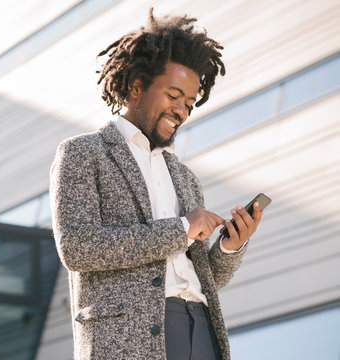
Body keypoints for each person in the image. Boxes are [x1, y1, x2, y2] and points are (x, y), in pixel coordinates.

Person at [49, 8, 265, 360]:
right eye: (173, 95)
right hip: (129, 337)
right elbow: (77, 247)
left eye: (190, 103)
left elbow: (200, 275)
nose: (181, 110)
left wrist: (230, 248)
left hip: (202, 326)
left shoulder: (184, 176)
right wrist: (182, 228)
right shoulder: (83, 153)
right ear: (137, 86)